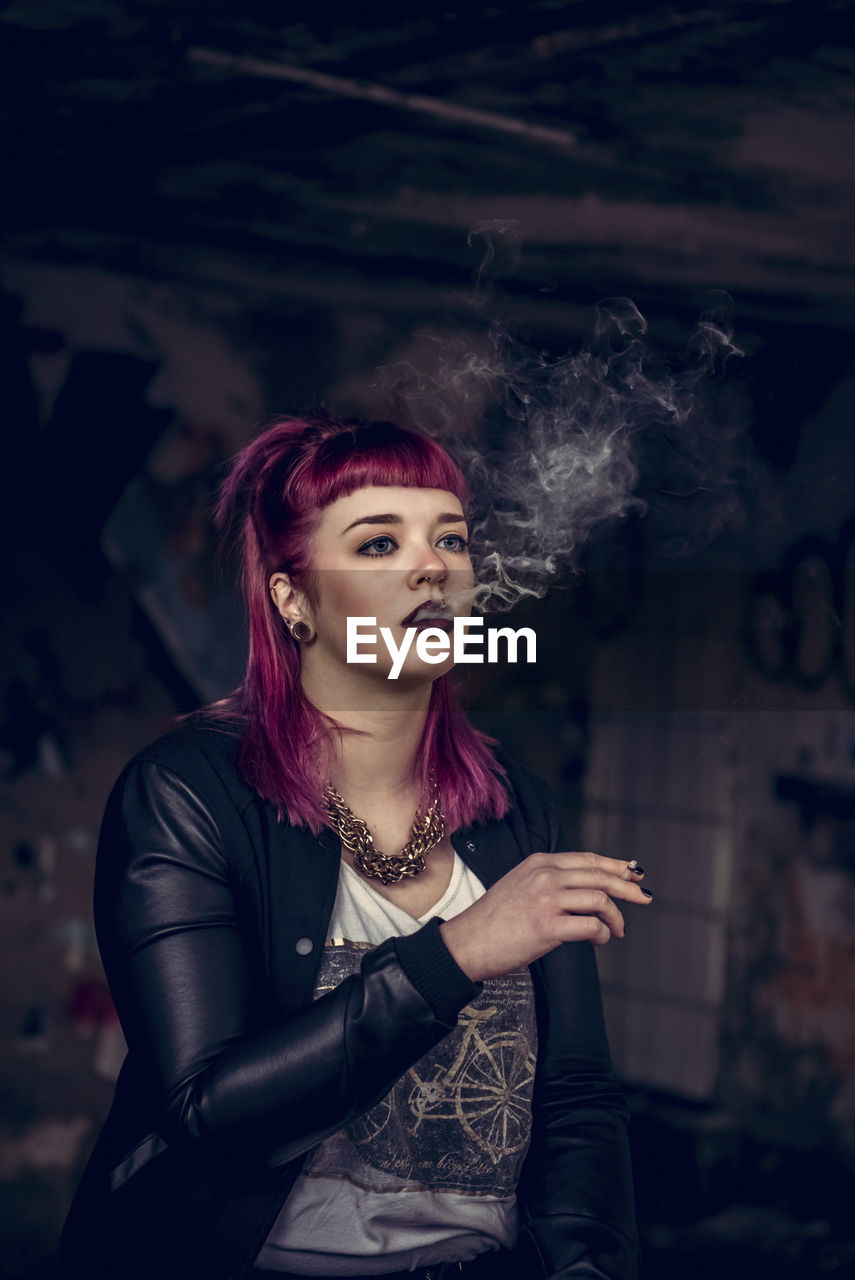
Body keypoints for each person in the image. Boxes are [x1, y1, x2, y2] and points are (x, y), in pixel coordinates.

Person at [60, 416, 650, 1280]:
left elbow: (576, 1098)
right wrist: (458, 952)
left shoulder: (516, 803)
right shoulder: (186, 793)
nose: (431, 566)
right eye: (378, 544)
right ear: (293, 601)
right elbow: (207, 1113)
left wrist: (587, 1270)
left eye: (449, 539)